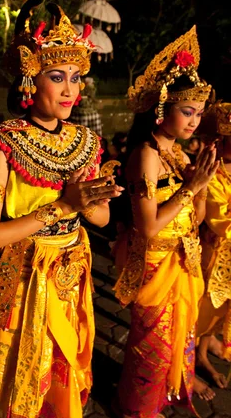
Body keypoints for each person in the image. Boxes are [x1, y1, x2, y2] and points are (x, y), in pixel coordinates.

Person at [0, 0, 123, 418]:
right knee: (24, 380)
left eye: (75, 78)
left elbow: (103, 220)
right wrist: (63, 205)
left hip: (71, 273)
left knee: (64, 375)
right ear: (30, 81)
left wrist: (92, 203)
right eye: (57, 78)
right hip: (23, 278)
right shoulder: (4, 144)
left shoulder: (86, 142)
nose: (70, 90)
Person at [113, 26, 217, 415]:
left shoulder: (179, 155)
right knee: (152, 348)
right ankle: (137, 409)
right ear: (161, 108)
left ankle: (171, 391)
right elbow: (149, 226)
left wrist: (201, 185)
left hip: (182, 260)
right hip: (156, 263)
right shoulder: (147, 155)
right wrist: (192, 188)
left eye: (198, 114)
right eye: (186, 111)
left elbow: (199, 217)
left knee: (180, 339)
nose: (193, 121)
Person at [194, 101, 231, 390]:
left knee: (222, 311)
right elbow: (220, 220)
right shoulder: (212, 172)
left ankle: (208, 345)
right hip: (214, 255)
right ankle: (199, 355)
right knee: (207, 308)